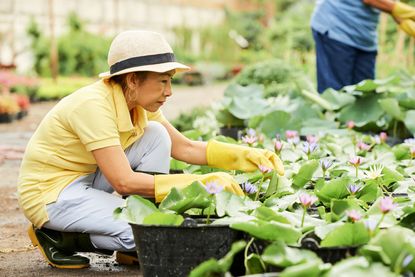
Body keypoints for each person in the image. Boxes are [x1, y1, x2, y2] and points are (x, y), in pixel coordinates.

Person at [17, 30, 284, 269]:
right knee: (148, 233)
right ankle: (59, 237)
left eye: (170, 81)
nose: (169, 92)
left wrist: (245, 155)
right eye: (163, 81)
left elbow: (186, 147)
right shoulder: (93, 106)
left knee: (156, 134)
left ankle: (136, 232)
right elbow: (123, 181)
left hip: (87, 178)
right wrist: (200, 183)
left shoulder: (137, 104)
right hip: (52, 195)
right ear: (133, 80)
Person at [311, 0, 415, 93]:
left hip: (364, 36)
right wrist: (410, 11)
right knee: (336, 93)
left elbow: (392, 8)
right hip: (336, 27)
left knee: (365, 95)